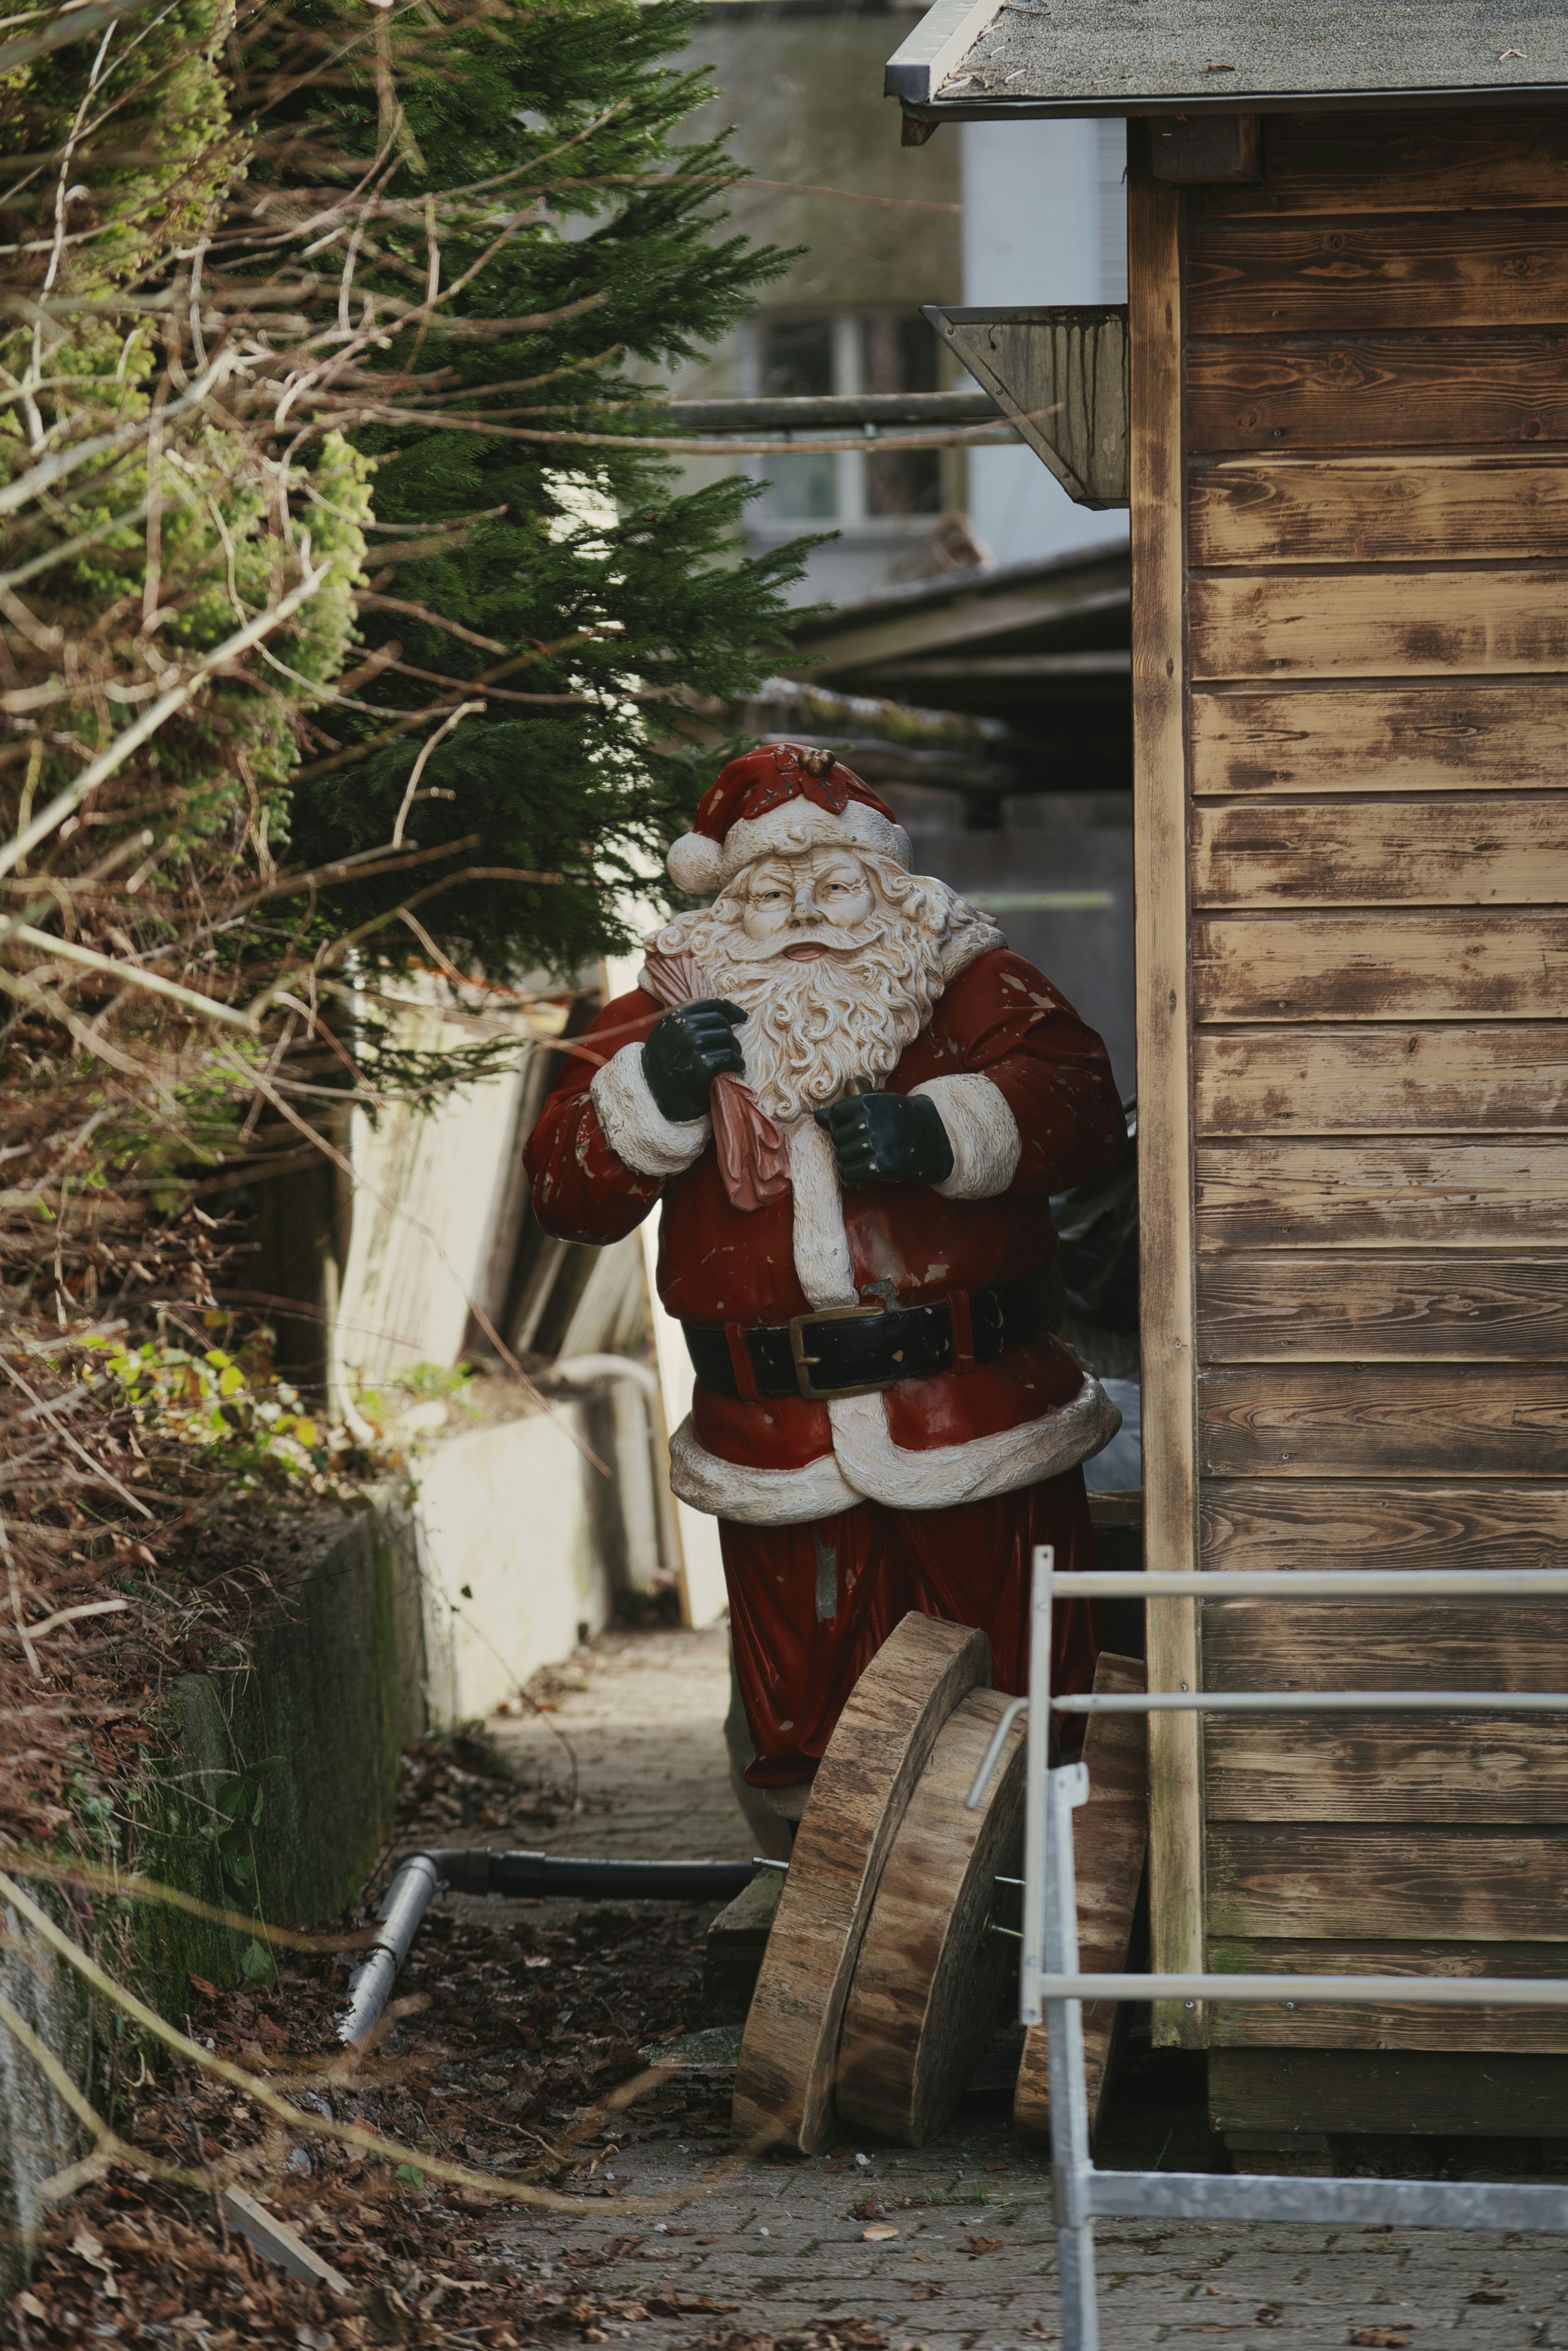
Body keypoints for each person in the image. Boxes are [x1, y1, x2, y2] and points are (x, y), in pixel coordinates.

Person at [525, 742, 1128, 1790]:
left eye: (839, 886)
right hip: (776, 1441)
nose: (808, 914)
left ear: (887, 888)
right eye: (772, 894)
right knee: (813, 1729)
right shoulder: (680, 1006)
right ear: (726, 908)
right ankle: (824, 1919)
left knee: (1024, 1707)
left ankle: (1036, 1908)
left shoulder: (969, 982)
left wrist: (948, 1132)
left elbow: (1083, 1106)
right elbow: (561, 1189)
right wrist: (656, 1091)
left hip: (978, 1418)